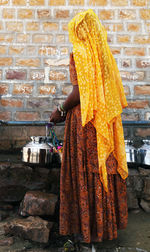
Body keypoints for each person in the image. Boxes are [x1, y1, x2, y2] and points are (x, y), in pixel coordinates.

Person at [50, 9, 128, 251]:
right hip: (102, 122)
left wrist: (60, 111)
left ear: (79, 31)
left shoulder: (80, 53)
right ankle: (104, 230)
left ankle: (88, 234)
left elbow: (79, 92)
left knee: (84, 171)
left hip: (84, 123)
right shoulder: (105, 55)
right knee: (101, 170)